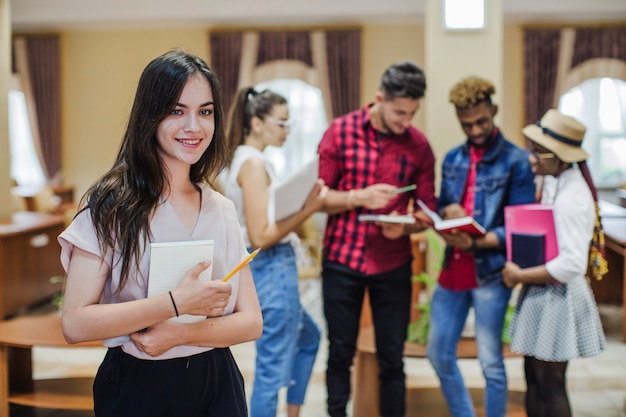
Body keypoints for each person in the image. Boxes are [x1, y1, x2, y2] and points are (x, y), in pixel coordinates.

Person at [58, 50, 263, 417]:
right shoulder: (110, 208)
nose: (194, 127)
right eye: (176, 110)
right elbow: (74, 323)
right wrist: (176, 303)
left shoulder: (222, 208)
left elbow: (251, 322)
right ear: (149, 116)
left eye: (205, 111)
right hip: (137, 384)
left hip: (217, 382)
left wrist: (182, 332)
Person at [317, 60, 437, 417]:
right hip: (342, 260)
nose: (406, 121)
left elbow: (428, 212)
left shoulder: (419, 146)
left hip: (393, 264)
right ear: (379, 98)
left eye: (412, 113)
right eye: (400, 112)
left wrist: (407, 225)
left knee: (392, 359)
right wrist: (358, 197)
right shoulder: (340, 132)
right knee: (339, 354)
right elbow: (319, 199)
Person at [424, 76, 536, 417]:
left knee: (491, 363)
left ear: (494, 111)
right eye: (466, 123)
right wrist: (448, 212)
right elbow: (444, 203)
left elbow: (520, 228)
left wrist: (474, 241)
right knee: (438, 353)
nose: (474, 130)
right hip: (452, 268)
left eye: (481, 122)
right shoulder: (453, 158)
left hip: (490, 273)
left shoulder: (516, 161)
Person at [219, 87, 327, 417]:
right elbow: (261, 234)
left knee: (309, 337)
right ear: (256, 122)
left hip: (265, 264)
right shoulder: (252, 164)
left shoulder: (240, 158)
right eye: (281, 122)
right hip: (269, 264)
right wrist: (309, 208)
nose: (287, 130)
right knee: (271, 364)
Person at [502, 109, 607, 417]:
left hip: (558, 295)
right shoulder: (554, 181)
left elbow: (573, 264)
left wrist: (520, 274)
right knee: (533, 377)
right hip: (542, 289)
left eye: (539, 153)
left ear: (561, 157)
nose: (532, 159)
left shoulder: (573, 196)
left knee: (551, 382)